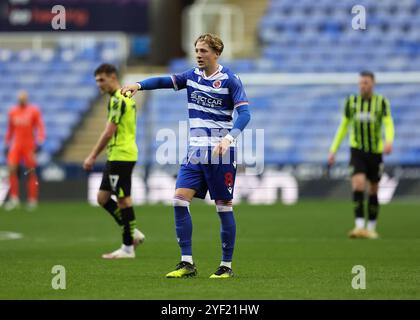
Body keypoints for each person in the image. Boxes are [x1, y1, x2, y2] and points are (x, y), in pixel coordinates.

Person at [122, 33, 251, 278]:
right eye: (197, 50)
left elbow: (244, 115)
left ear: (216, 53)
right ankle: (187, 263)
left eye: (203, 51)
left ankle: (226, 266)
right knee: (179, 201)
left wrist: (228, 138)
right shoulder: (191, 76)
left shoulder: (230, 80)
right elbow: (163, 80)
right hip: (194, 153)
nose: (198, 55)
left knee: (223, 208)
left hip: (220, 154)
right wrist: (138, 85)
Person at [83, 63, 145, 259]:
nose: (99, 85)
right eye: (97, 81)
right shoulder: (123, 98)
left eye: (102, 80)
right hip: (118, 155)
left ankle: (128, 247)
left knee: (123, 199)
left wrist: (92, 155)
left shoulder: (118, 100)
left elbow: (109, 131)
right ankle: (132, 231)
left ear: (112, 77)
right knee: (102, 198)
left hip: (121, 155)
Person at [328, 71, 395, 239]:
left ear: (373, 84)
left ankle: (371, 228)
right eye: (360, 83)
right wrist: (333, 149)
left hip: (375, 151)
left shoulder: (381, 102)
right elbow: (344, 126)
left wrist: (389, 141)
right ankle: (359, 226)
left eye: (365, 82)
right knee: (357, 184)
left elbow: (388, 123)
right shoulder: (351, 102)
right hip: (357, 150)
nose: (362, 86)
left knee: (373, 189)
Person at [4, 91, 45, 211]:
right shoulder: (12, 112)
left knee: (31, 172)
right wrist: (7, 143)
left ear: (27, 99)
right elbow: (10, 130)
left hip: (29, 146)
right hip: (16, 145)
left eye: (23, 98)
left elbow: (40, 127)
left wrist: (40, 140)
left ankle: (32, 200)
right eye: (20, 98)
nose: (21, 100)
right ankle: (14, 198)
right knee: (11, 169)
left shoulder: (34, 111)